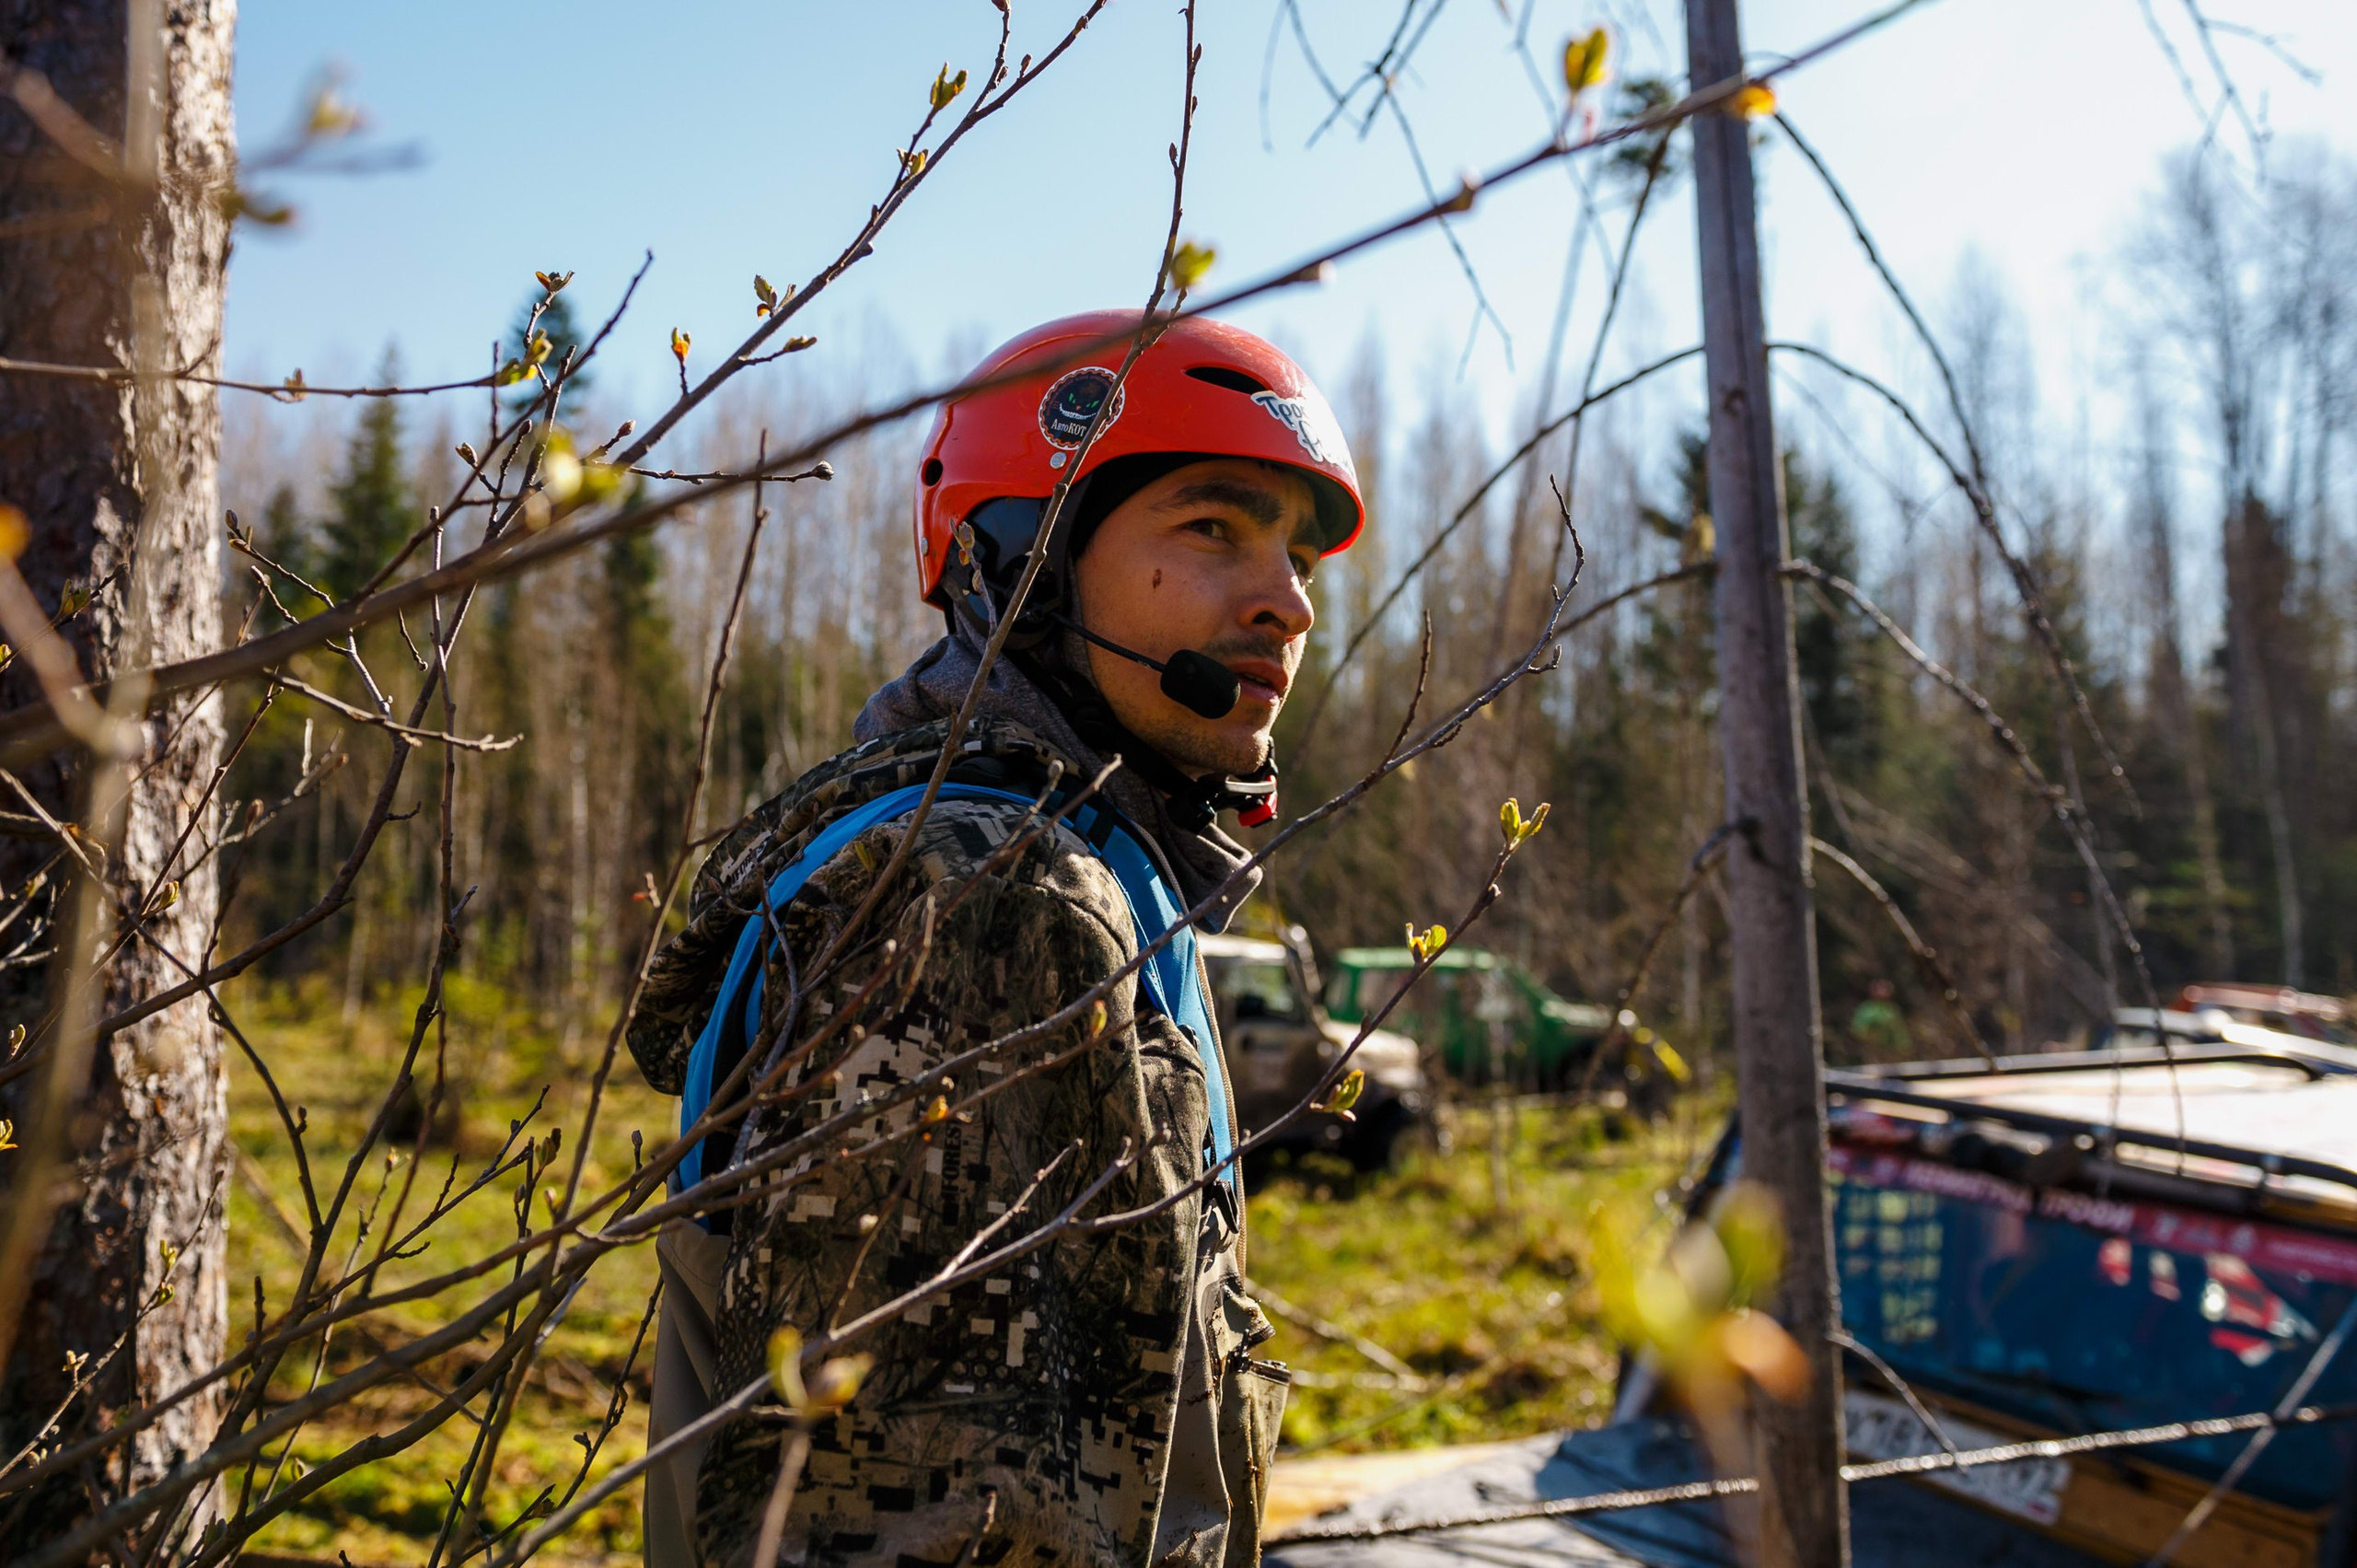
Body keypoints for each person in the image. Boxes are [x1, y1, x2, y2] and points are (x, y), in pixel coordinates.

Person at [627, 311, 1365, 1568]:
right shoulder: (988, 904)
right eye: (1212, 529)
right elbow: (933, 1529)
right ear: (1024, 564)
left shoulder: (1075, 868)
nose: (1288, 602)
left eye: (1296, 555)